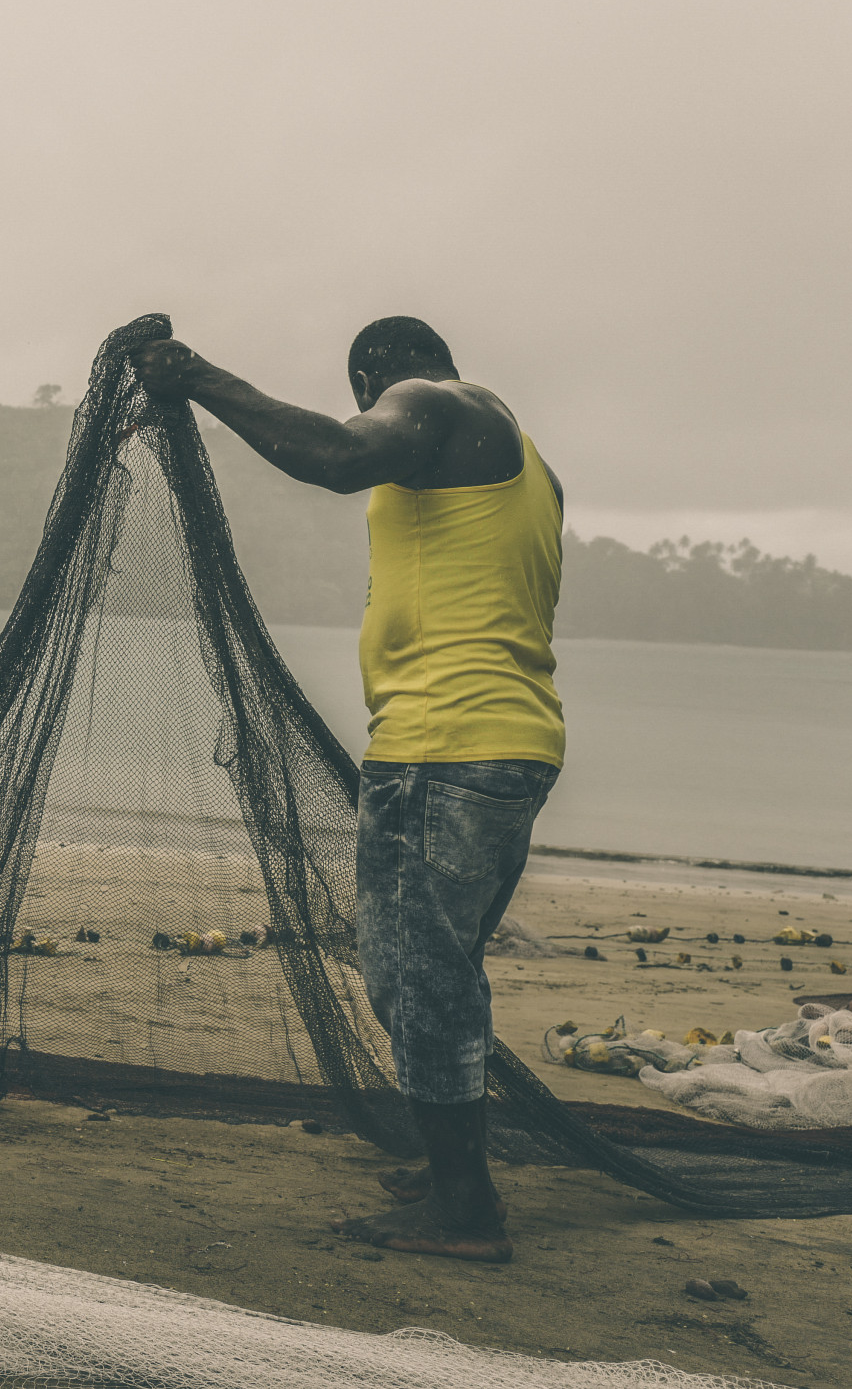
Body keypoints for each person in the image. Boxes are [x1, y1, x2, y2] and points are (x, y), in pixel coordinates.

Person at [134, 317, 563, 1264]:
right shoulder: (526, 464)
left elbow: (334, 455)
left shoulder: (433, 402)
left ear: (374, 379)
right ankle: (449, 1166)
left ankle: (464, 1211)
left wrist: (195, 375)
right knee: (444, 971)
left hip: (447, 747)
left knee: (417, 978)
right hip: (512, 742)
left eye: (369, 399)